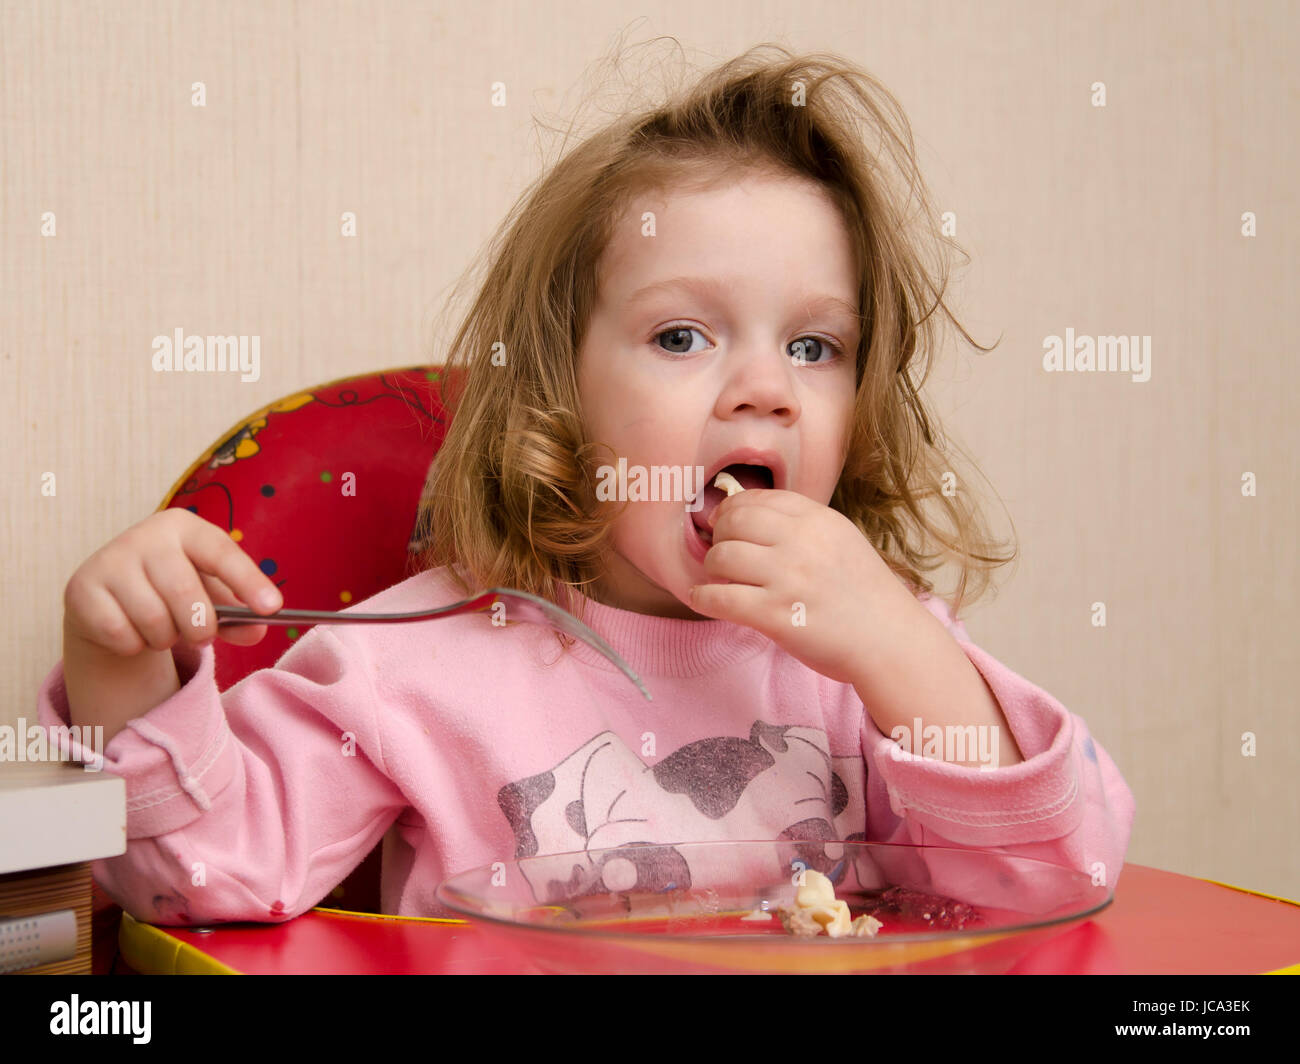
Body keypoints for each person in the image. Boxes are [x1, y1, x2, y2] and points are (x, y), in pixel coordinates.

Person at [40, 44, 1134, 925]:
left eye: (815, 347)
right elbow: (190, 877)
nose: (766, 389)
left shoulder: (876, 665)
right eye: (681, 333)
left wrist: (902, 650)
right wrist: (119, 664)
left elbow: (1067, 873)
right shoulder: (412, 668)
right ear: (554, 392)